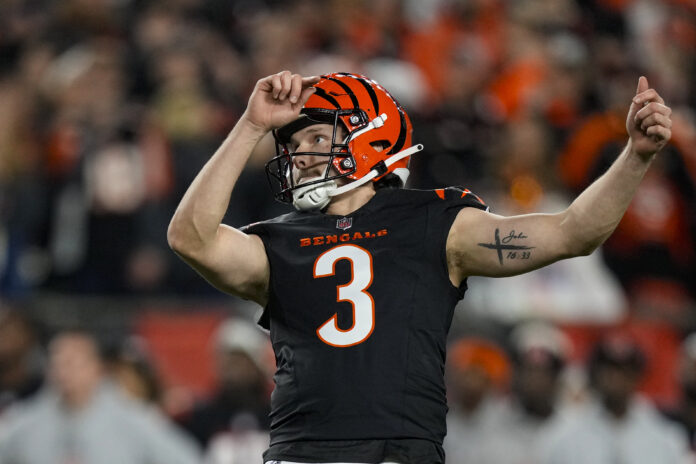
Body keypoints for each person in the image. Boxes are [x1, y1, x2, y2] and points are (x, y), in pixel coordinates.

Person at [167, 70, 673, 463]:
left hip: (397, 451)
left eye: (317, 139)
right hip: (297, 450)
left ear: (370, 135)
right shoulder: (278, 240)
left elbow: (572, 233)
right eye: (293, 145)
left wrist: (635, 156)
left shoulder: (435, 221)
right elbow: (189, 237)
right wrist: (251, 125)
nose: (300, 156)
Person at [0, 330, 202, 464]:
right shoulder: (28, 419)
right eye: (57, 363)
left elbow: (186, 458)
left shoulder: (132, 418)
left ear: (95, 368)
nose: (63, 372)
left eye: (71, 363)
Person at [540, 332, 689, 464]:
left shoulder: (665, 435)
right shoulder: (563, 435)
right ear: (595, 374)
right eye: (609, 370)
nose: (617, 378)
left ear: (638, 376)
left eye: (625, 371)